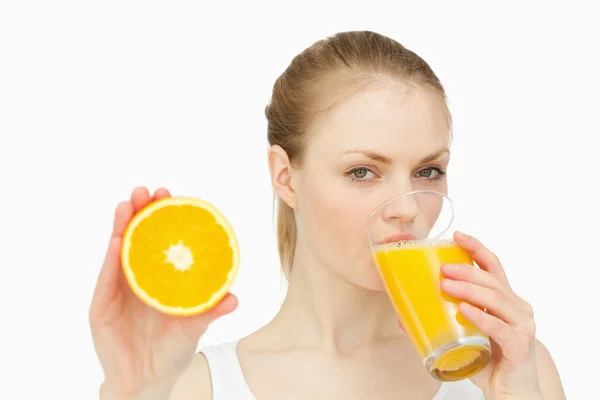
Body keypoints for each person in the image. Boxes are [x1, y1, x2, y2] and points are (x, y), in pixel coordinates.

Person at [90, 31, 566, 399]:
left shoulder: (512, 368)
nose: (407, 208)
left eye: (428, 170)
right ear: (284, 176)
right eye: (362, 172)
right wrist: (131, 393)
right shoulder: (193, 388)